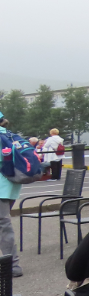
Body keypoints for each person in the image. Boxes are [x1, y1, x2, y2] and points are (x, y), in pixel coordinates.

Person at [0, 112, 23, 277]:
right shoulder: (9, 136)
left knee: (3, 226)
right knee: (3, 225)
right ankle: (12, 265)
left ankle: (12, 266)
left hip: (1, 187)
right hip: (11, 186)